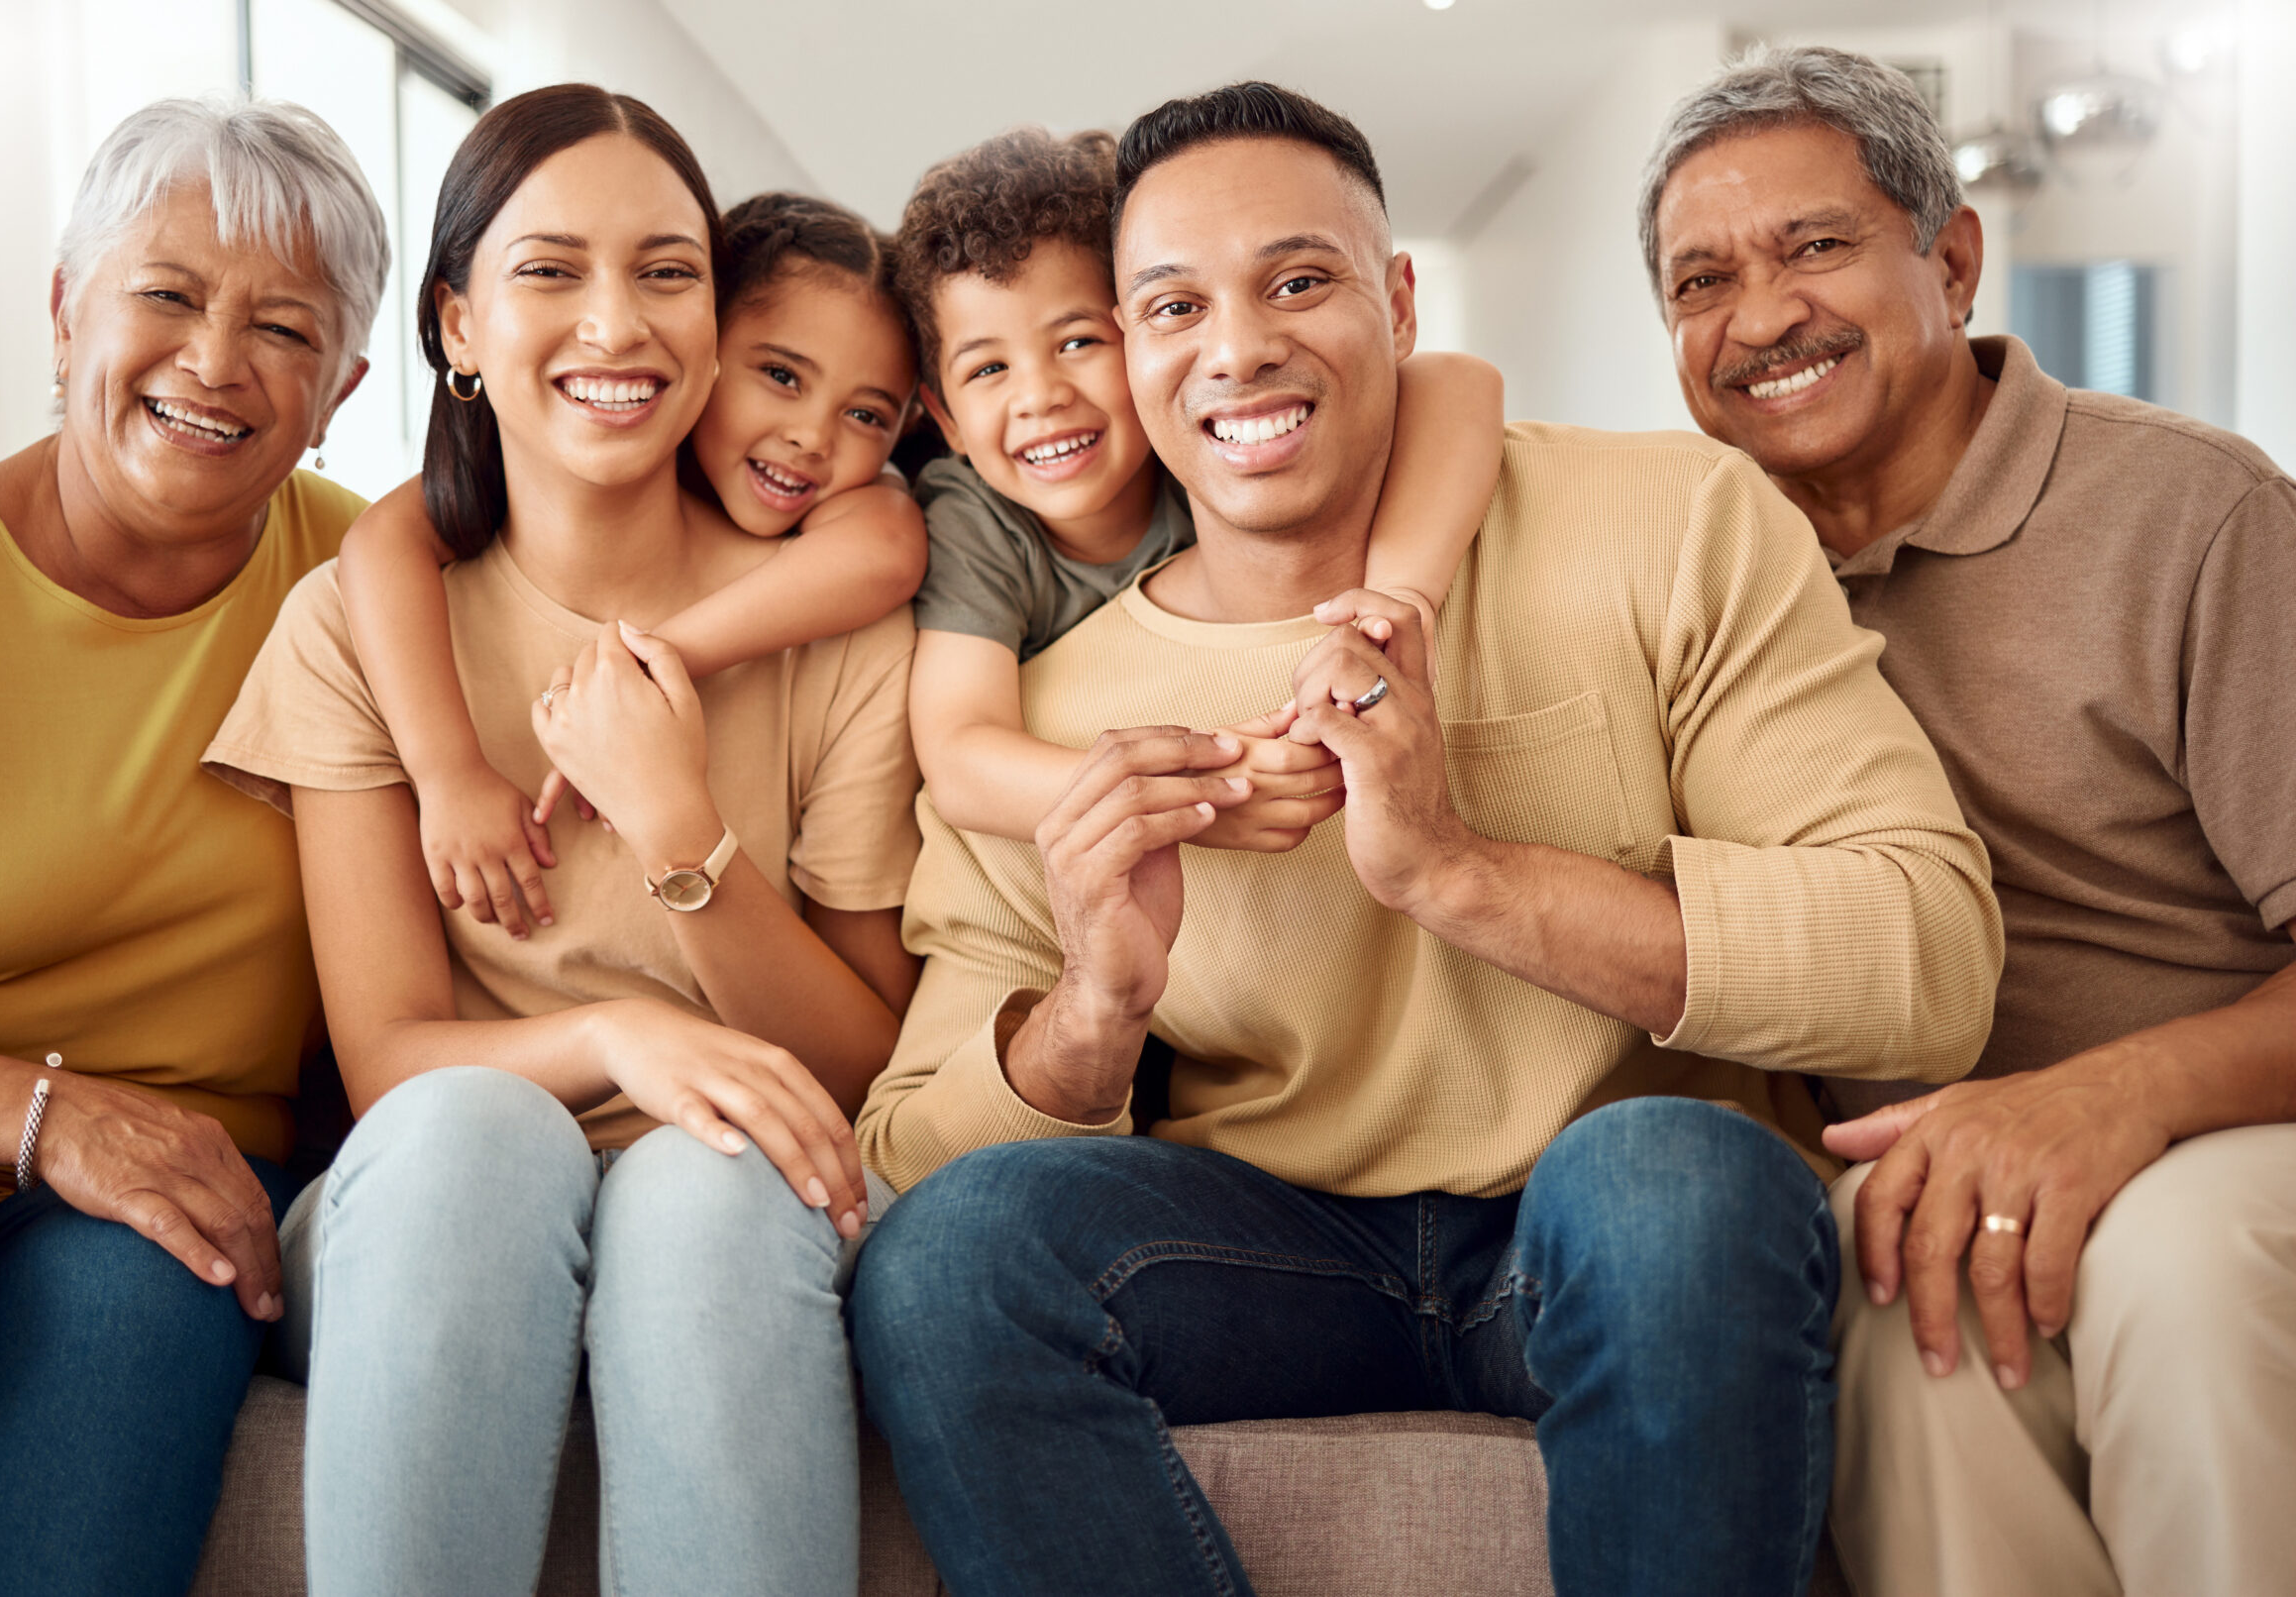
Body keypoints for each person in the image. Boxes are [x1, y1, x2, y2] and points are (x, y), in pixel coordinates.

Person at [848, 80, 2001, 1597]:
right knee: (953, 1263)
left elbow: (1929, 959)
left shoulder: (1668, 521)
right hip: (1268, 1256)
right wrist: (1090, 1018)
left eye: (1301, 281)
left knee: (1670, 1176)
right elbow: (906, 1151)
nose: (1241, 346)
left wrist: (1456, 871)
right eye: (1174, 305)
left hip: (1598, 1233)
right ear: (1130, 355)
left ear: (1398, 303)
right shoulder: (1063, 714)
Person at [203, 84, 923, 1597]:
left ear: (716, 325)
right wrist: (618, 1038)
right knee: (479, 1132)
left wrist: (680, 831)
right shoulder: (363, 624)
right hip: (434, 1187)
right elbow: (394, 1052)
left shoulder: (841, 633)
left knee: (717, 1178)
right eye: (550, 272)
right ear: (458, 326)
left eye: (668, 274)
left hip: (735, 1184)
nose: (618, 324)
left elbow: (860, 1067)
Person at [1641, 45, 2296, 1597]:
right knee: (1891, 1288)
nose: (1760, 317)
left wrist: (2105, 1102)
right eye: (1700, 281)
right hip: (1919, 1168)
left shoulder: (2199, 514)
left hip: (2226, 1127)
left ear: (1949, 258)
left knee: (2174, 1263)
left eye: (1815, 247)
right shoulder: (1687, 568)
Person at [0, 97, 383, 1597]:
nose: (216, 363)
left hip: (179, 1186)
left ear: (343, 386)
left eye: (284, 330)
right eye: (166, 294)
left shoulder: (376, 592)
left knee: (154, 1285)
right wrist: (39, 1116)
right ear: (63, 311)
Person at [332, 190, 930, 935]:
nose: (813, 436)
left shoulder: (852, 510)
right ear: (706, 346)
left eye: (866, 414)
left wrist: (653, 662)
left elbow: (887, 551)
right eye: (780, 376)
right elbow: (381, 541)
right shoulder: (571, 466)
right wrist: (449, 772)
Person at [894, 125, 1508, 845]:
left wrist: (1398, 601)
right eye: (987, 370)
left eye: (1077, 343)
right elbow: (961, 761)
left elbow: (1458, 381)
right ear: (947, 420)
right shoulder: (973, 524)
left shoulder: (1207, 449)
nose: (1040, 397)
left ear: (1143, 341)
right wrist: (1200, 798)